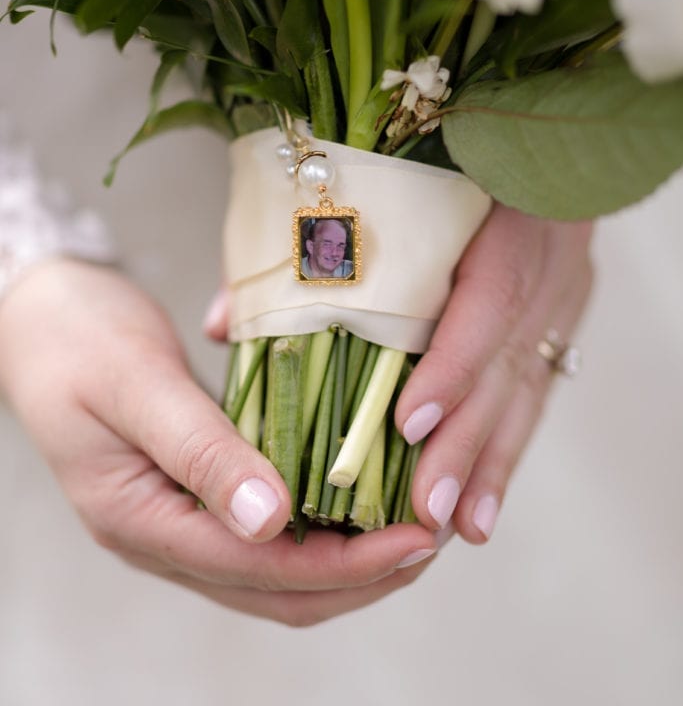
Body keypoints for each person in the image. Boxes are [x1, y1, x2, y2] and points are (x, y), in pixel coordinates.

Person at [0, 119, 593, 626]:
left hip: (462, 206)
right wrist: (24, 286)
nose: (332, 254)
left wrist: (562, 158)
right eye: (328, 250)